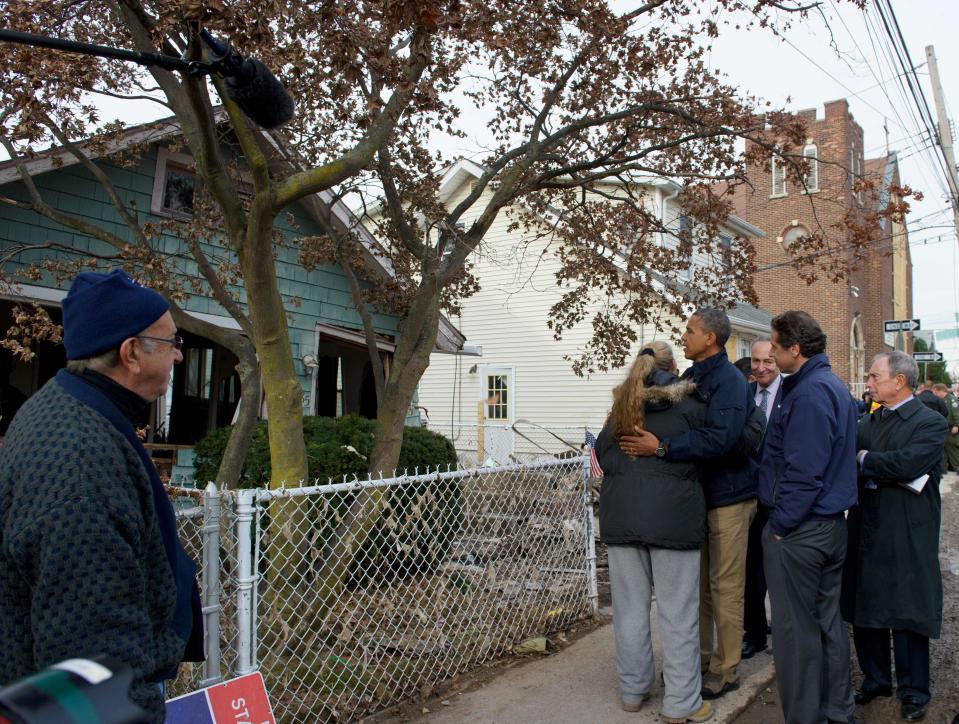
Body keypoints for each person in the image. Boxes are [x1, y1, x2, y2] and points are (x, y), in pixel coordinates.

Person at [0, 269, 204, 723]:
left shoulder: (68, 407)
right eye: (172, 344)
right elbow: (94, 659)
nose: (178, 358)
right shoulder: (79, 466)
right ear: (131, 352)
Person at [619, 308, 761, 701]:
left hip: (729, 497)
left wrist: (662, 446)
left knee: (725, 586)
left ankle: (726, 668)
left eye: (691, 331)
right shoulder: (691, 377)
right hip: (696, 497)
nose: (684, 336)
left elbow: (722, 439)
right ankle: (695, 661)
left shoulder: (729, 381)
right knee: (698, 588)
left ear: (711, 338)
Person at [596, 341, 712, 723]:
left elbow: (605, 457)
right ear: (673, 366)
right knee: (678, 614)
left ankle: (633, 691)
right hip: (673, 521)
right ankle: (681, 702)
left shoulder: (620, 409)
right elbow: (705, 455)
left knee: (628, 612)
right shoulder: (692, 406)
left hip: (622, 520)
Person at [758, 310, 857, 724]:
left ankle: (807, 716)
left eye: (776, 348)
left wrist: (781, 526)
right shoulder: (824, 385)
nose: (772, 356)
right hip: (824, 526)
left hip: (802, 531)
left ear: (794, 349)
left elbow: (805, 470)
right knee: (824, 624)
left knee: (796, 633)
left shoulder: (811, 392)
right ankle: (836, 711)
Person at [841, 352, 949, 722]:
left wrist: (866, 461)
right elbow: (849, 459)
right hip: (867, 525)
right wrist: (873, 462)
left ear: (898, 381)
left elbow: (908, 464)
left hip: (908, 529)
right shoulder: (867, 421)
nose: (867, 383)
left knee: (907, 609)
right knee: (866, 603)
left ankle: (914, 689)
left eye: (873, 376)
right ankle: (876, 679)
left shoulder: (929, 422)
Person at [741, 336, 781, 661]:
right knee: (751, 573)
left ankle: (785, 632)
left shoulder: (792, 396)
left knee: (781, 572)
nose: (761, 367)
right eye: (756, 361)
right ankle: (754, 634)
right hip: (749, 498)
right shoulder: (744, 396)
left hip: (781, 499)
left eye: (767, 361)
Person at [932, 383, 959, 472]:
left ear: (940, 391)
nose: (935, 394)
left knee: (952, 449)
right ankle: (943, 469)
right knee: (943, 449)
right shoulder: (942, 400)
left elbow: (957, 415)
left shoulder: (952, 400)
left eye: (936, 392)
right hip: (944, 427)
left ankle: (957, 467)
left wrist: (957, 426)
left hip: (952, 428)